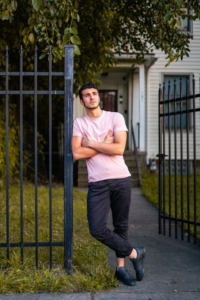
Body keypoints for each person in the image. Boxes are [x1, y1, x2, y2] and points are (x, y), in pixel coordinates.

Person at [71, 82, 145, 286]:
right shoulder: (79, 123)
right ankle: (134, 253)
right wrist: (105, 144)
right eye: (87, 95)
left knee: (121, 226)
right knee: (96, 228)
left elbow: (119, 148)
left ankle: (120, 269)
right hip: (97, 182)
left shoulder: (115, 117)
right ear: (82, 100)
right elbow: (77, 153)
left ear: (99, 96)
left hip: (121, 178)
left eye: (94, 94)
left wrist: (93, 143)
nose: (92, 97)